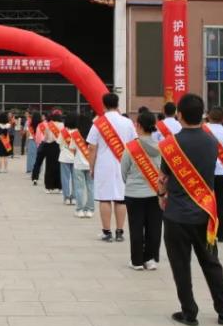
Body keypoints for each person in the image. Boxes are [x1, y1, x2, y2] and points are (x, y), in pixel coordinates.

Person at [159, 93, 223, 326]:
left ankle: (189, 312)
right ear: (202, 114)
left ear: (179, 115)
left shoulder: (170, 144)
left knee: (180, 266)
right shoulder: (212, 142)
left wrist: (161, 196)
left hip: (176, 214)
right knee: (211, 263)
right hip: (204, 213)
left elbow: (163, 178)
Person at [86, 92, 137, 242]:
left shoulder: (98, 123)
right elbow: (134, 144)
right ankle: (120, 232)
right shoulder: (127, 122)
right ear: (117, 104)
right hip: (124, 164)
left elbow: (92, 148)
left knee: (105, 198)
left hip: (103, 165)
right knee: (121, 199)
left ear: (104, 105)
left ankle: (107, 232)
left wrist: (91, 167)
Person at [121, 111, 162, 270]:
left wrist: (131, 183)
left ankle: (137, 261)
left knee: (136, 227)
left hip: (134, 193)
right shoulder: (161, 147)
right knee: (154, 227)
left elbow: (124, 171)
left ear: (138, 125)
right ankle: (150, 259)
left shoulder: (130, 147)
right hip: (155, 193)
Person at [205, 107, 223, 242]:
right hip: (222, 173)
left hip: (205, 172)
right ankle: (222, 234)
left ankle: (206, 232)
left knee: (205, 204)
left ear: (209, 116)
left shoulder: (203, 130)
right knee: (221, 205)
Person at [68, 113, 95, 218]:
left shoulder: (75, 134)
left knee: (79, 188)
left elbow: (72, 149)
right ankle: (90, 210)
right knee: (91, 187)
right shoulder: (93, 133)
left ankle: (79, 210)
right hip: (91, 164)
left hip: (78, 164)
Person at [33, 112, 62, 193]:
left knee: (49, 167)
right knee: (58, 167)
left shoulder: (49, 125)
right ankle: (59, 187)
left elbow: (45, 138)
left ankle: (49, 187)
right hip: (59, 147)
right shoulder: (62, 125)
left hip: (50, 146)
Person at [57, 112, 76, 205]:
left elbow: (59, 143)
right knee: (75, 178)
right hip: (76, 157)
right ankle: (74, 197)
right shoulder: (78, 132)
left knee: (65, 178)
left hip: (64, 156)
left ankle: (67, 198)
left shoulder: (63, 131)